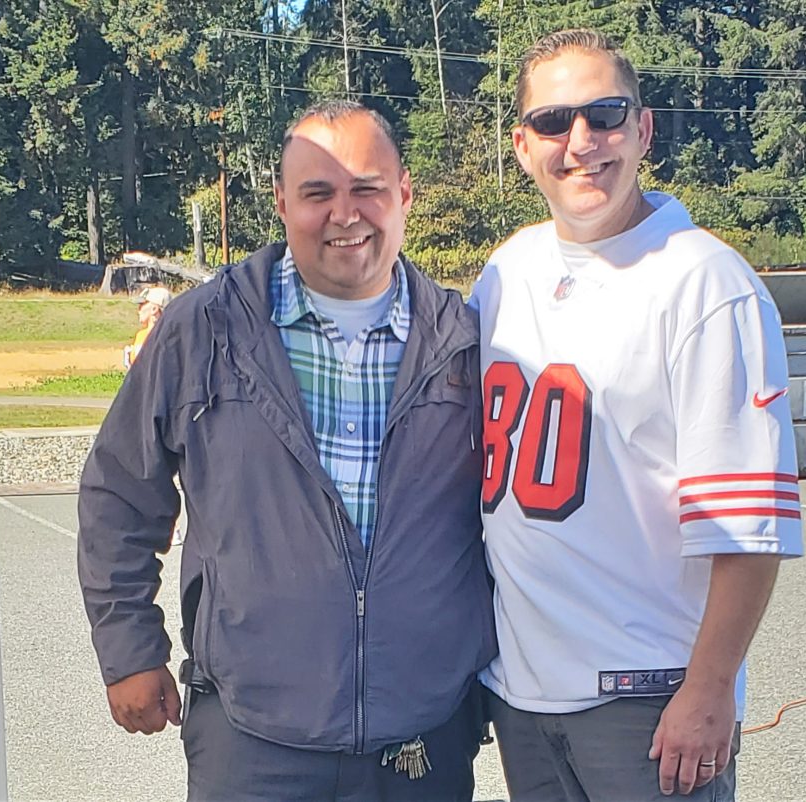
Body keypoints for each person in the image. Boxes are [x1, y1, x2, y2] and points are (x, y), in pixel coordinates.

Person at [79, 100, 496, 802]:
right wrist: (129, 650)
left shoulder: (467, 341)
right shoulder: (205, 329)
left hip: (422, 742)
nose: (346, 212)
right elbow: (121, 494)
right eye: (317, 192)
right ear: (280, 201)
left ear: (404, 194)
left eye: (367, 187)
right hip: (252, 739)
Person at [470, 29, 805, 802]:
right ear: (522, 146)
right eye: (554, 123)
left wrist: (709, 686)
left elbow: (748, 524)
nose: (581, 142)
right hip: (524, 693)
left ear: (644, 128)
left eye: (605, 114)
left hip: (649, 696)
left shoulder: (704, 282)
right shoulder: (507, 269)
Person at [124, 285, 172, 367]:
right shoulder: (140, 335)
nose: (139, 309)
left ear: (154, 309)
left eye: (142, 304)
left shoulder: (168, 339)